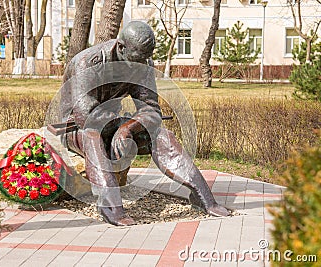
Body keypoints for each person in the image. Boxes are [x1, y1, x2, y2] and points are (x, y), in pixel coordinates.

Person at [59, 21, 230, 226]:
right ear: (121, 47)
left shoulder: (143, 63)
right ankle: (110, 206)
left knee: (159, 134)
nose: (143, 64)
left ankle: (203, 196)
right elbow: (85, 116)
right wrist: (121, 123)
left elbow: (151, 110)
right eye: (138, 57)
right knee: (92, 136)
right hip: (74, 127)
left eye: (146, 58)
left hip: (112, 123)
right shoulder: (87, 62)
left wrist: (128, 127)